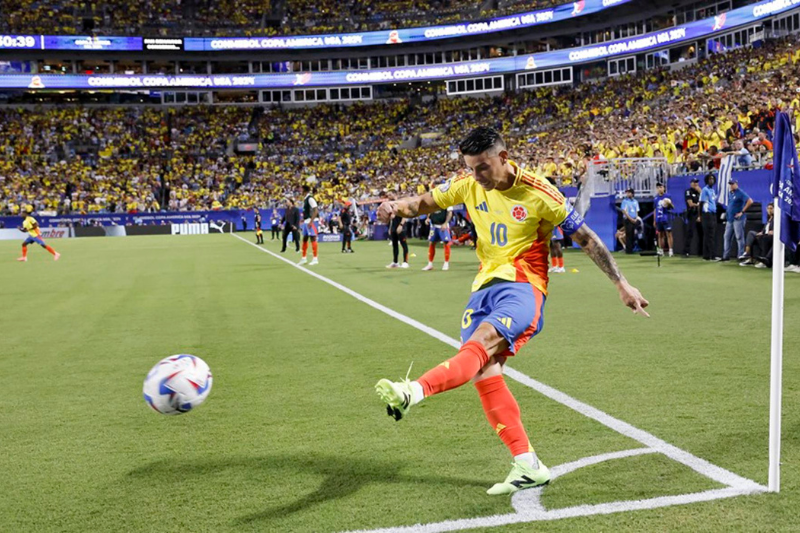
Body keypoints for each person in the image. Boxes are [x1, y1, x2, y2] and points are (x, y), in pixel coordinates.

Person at [374, 127, 648, 496]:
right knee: (484, 370)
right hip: (483, 288)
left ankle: (413, 392)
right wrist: (396, 205)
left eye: (483, 167)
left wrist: (621, 283)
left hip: (523, 287)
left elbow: (584, 237)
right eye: (471, 168)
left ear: (503, 158)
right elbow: (422, 203)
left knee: (483, 344)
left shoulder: (539, 192)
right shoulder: (468, 185)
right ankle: (527, 464)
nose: (476, 176)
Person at [722, 179, 753, 261]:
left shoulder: (740, 192)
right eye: (730, 184)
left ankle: (740, 256)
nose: (731, 186)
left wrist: (742, 212)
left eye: (732, 184)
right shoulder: (731, 193)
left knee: (739, 237)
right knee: (726, 237)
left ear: (736, 184)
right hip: (730, 219)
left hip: (738, 219)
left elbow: (750, 201)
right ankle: (725, 256)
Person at [423, 207, 453, 271]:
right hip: (434, 225)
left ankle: (446, 263)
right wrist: (428, 218)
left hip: (443, 225)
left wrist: (445, 223)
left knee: (446, 242)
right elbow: (430, 210)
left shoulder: (446, 200)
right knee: (431, 243)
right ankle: (430, 264)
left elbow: (450, 212)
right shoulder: (433, 200)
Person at [386, 192, 409, 269]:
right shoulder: (390, 205)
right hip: (393, 227)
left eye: (390, 194)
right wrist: (390, 228)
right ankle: (395, 262)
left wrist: (401, 225)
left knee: (403, 244)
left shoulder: (401, 203)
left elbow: (405, 215)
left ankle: (405, 262)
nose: (388, 196)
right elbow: (392, 218)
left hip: (400, 226)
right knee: (394, 245)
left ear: (394, 195)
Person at [700, 173, 719, 261]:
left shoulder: (712, 190)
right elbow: (701, 203)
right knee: (709, 235)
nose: (711, 180)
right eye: (710, 179)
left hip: (713, 214)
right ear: (707, 180)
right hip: (707, 214)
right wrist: (700, 215)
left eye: (712, 179)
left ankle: (706, 255)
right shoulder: (705, 190)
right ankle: (712, 255)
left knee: (709, 235)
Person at [299, 185, 319, 266]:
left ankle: (315, 258)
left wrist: (311, 221)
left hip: (312, 221)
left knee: (313, 238)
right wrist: (304, 219)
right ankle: (304, 258)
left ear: (304, 190)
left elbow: (315, 210)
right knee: (305, 238)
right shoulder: (305, 199)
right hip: (307, 221)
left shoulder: (310, 198)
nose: (300, 191)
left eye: (301, 190)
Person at [653, 183, 674, 257]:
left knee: (669, 234)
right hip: (659, 219)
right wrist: (654, 220)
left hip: (666, 218)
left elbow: (672, 207)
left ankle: (670, 250)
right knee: (660, 235)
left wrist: (668, 203)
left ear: (664, 188)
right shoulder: (655, 198)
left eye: (661, 187)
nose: (659, 189)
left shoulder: (668, 196)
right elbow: (655, 210)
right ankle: (660, 251)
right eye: (658, 187)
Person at [683, 178, 702, 256]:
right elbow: (690, 203)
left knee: (701, 233)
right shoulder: (688, 191)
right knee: (690, 233)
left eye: (697, 182)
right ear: (691, 183)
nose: (695, 184)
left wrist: (701, 192)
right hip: (692, 213)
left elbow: (704, 200)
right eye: (694, 182)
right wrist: (698, 204)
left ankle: (701, 251)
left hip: (700, 214)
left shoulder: (699, 192)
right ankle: (686, 251)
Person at [620, 188, 639, 254]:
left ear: (632, 193)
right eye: (627, 193)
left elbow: (637, 211)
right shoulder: (624, 201)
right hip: (627, 220)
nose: (628, 194)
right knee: (628, 234)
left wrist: (636, 218)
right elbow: (624, 211)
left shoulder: (635, 201)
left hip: (634, 219)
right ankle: (628, 250)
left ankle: (631, 248)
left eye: (629, 192)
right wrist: (631, 219)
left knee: (632, 234)